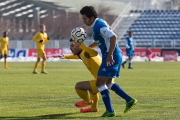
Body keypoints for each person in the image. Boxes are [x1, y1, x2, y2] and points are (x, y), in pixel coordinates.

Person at [80, 6, 137, 117]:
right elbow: (100, 41)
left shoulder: (98, 25)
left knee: (99, 83)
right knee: (108, 83)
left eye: (85, 18)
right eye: (83, 18)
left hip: (111, 56)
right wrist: (89, 49)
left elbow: (113, 37)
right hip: (112, 55)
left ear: (92, 17)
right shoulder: (98, 23)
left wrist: (110, 54)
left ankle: (110, 111)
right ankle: (129, 100)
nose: (84, 21)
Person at [54, 38, 101, 113]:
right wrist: (64, 56)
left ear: (79, 45)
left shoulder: (86, 51)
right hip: (104, 78)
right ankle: (93, 108)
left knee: (78, 86)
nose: (70, 48)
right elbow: (77, 56)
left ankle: (87, 102)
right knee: (92, 90)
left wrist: (83, 46)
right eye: (70, 45)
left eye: (72, 45)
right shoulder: (82, 53)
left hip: (105, 80)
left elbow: (94, 53)